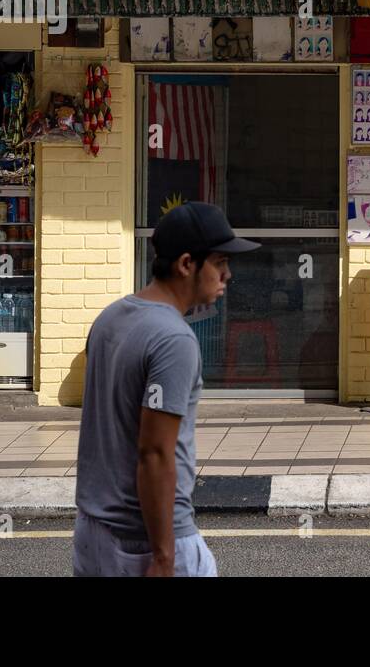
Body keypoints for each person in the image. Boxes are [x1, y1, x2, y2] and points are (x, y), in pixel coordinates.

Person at [73, 202, 259, 576]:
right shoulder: (173, 339)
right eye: (220, 262)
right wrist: (163, 556)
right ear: (187, 264)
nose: (228, 274)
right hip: (144, 541)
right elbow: (156, 453)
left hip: (92, 536)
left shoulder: (109, 318)